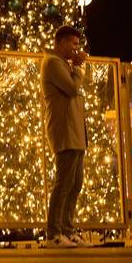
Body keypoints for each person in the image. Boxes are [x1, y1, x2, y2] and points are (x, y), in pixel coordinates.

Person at [41, 24, 90, 248]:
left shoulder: (65, 64)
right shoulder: (52, 63)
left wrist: (76, 68)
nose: (76, 48)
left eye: (78, 44)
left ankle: (68, 230)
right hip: (65, 132)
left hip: (76, 133)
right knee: (63, 184)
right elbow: (72, 88)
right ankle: (54, 233)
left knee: (76, 183)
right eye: (73, 43)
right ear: (60, 43)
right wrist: (78, 69)